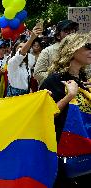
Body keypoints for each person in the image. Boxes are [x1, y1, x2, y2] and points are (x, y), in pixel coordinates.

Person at [39, 32, 91, 188]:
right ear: (72, 50)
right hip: (61, 152)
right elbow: (44, 115)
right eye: (88, 47)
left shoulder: (84, 81)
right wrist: (69, 96)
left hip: (84, 148)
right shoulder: (54, 80)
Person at [34, 20, 79, 86]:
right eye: (67, 31)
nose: (71, 34)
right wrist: (60, 76)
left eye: (73, 31)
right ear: (58, 36)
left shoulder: (79, 50)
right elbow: (37, 74)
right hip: (53, 92)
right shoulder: (47, 51)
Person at [6, 26, 43, 97]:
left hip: (26, 95)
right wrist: (31, 38)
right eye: (20, 47)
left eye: (25, 47)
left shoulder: (29, 62)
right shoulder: (12, 63)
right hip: (14, 96)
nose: (23, 49)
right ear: (15, 50)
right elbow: (21, 53)